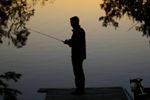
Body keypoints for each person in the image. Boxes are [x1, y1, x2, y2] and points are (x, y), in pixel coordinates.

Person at [64, 16, 86, 95]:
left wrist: (68, 42)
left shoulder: (77, 32)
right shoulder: (80, 31)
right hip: (80, 55)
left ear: (75, 22)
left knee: (77, 72)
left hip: (77, 55)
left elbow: (74, 43)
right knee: (79, 72)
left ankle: (79, 90)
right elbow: (75, 42)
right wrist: (69, 42)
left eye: (71, 22)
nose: (70, 24)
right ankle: (81, 89)